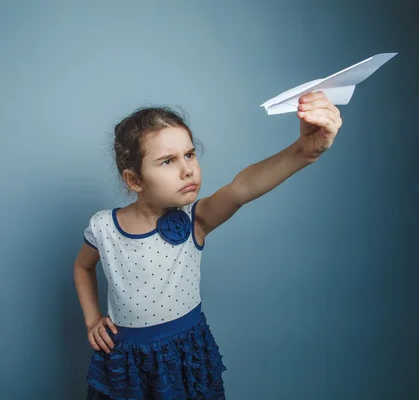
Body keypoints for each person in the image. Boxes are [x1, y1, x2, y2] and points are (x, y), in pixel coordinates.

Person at [74, 92, 343, 399]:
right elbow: (82, 267)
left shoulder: (195, 220)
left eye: (189, 155)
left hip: (184, 357)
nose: (187, 169)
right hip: (127, 362)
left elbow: (241, 189)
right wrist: (93, 319)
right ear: (134, 180)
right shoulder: (104, 227)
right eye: (167, 161)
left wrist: (303, 151)